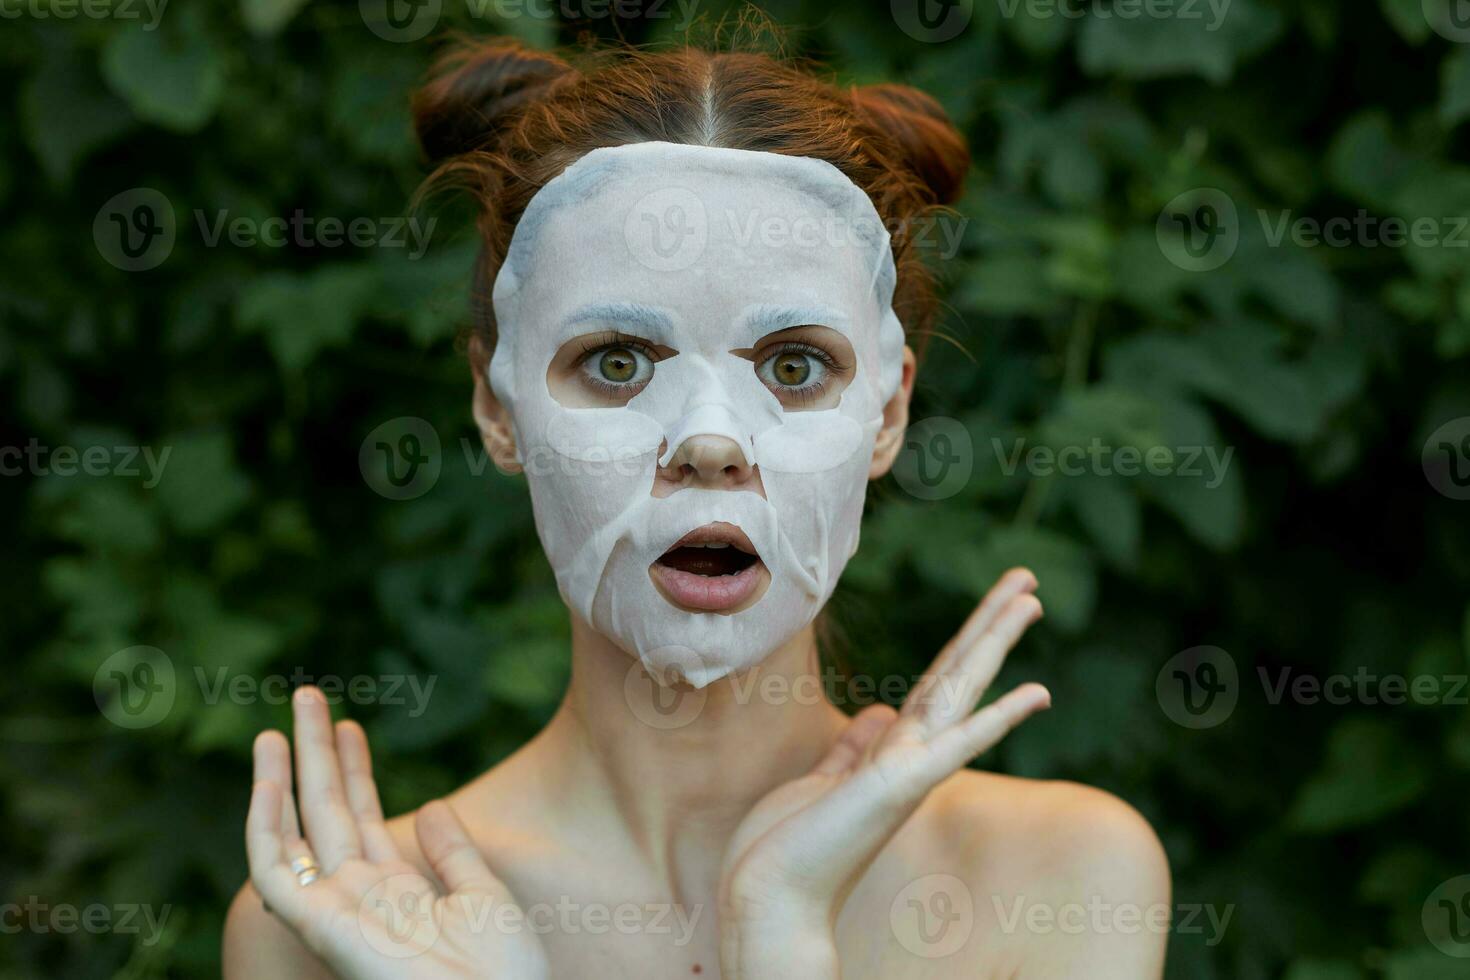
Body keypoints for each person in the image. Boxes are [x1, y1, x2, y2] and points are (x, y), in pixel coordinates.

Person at [223, 36, 1169, 980]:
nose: (711, 445)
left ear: (887, 414)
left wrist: (784, 930)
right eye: (618, 363)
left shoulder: (1059, 878)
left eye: (795, 369)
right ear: (497, 408)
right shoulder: (335, 928)